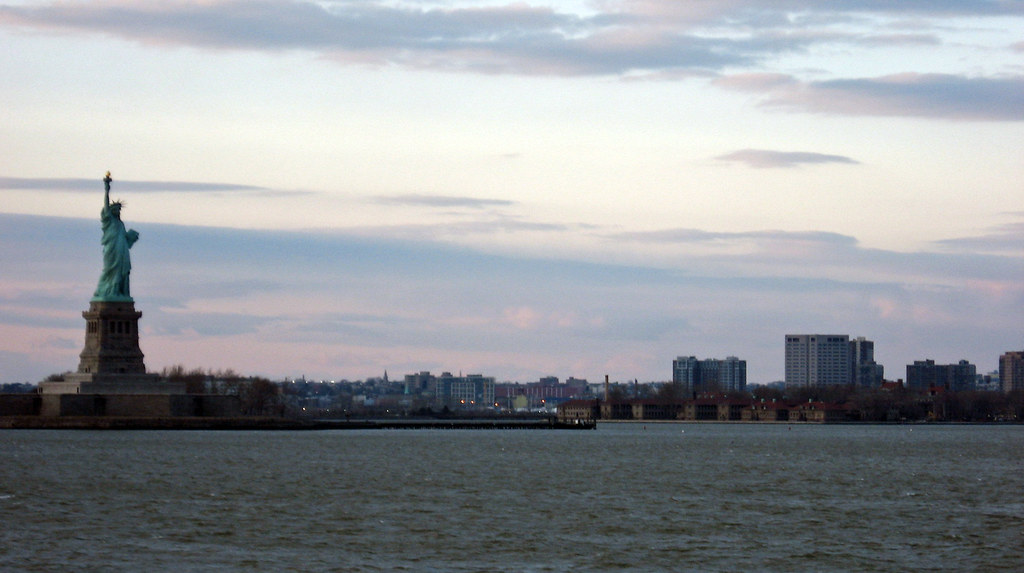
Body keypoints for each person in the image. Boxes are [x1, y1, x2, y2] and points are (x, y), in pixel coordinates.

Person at [93, 172, 139, 301]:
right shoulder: (109, 220)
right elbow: (106, 206)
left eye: (120, 210)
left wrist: (132, 237)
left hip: (122, 251)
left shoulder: (120, 224)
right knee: (109, 270)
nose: (118, 212)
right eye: (116, 209)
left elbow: (125, 239)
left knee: (122, 271)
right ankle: (106, 291)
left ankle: (119, 292)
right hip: (111, 250)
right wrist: (107, 189)